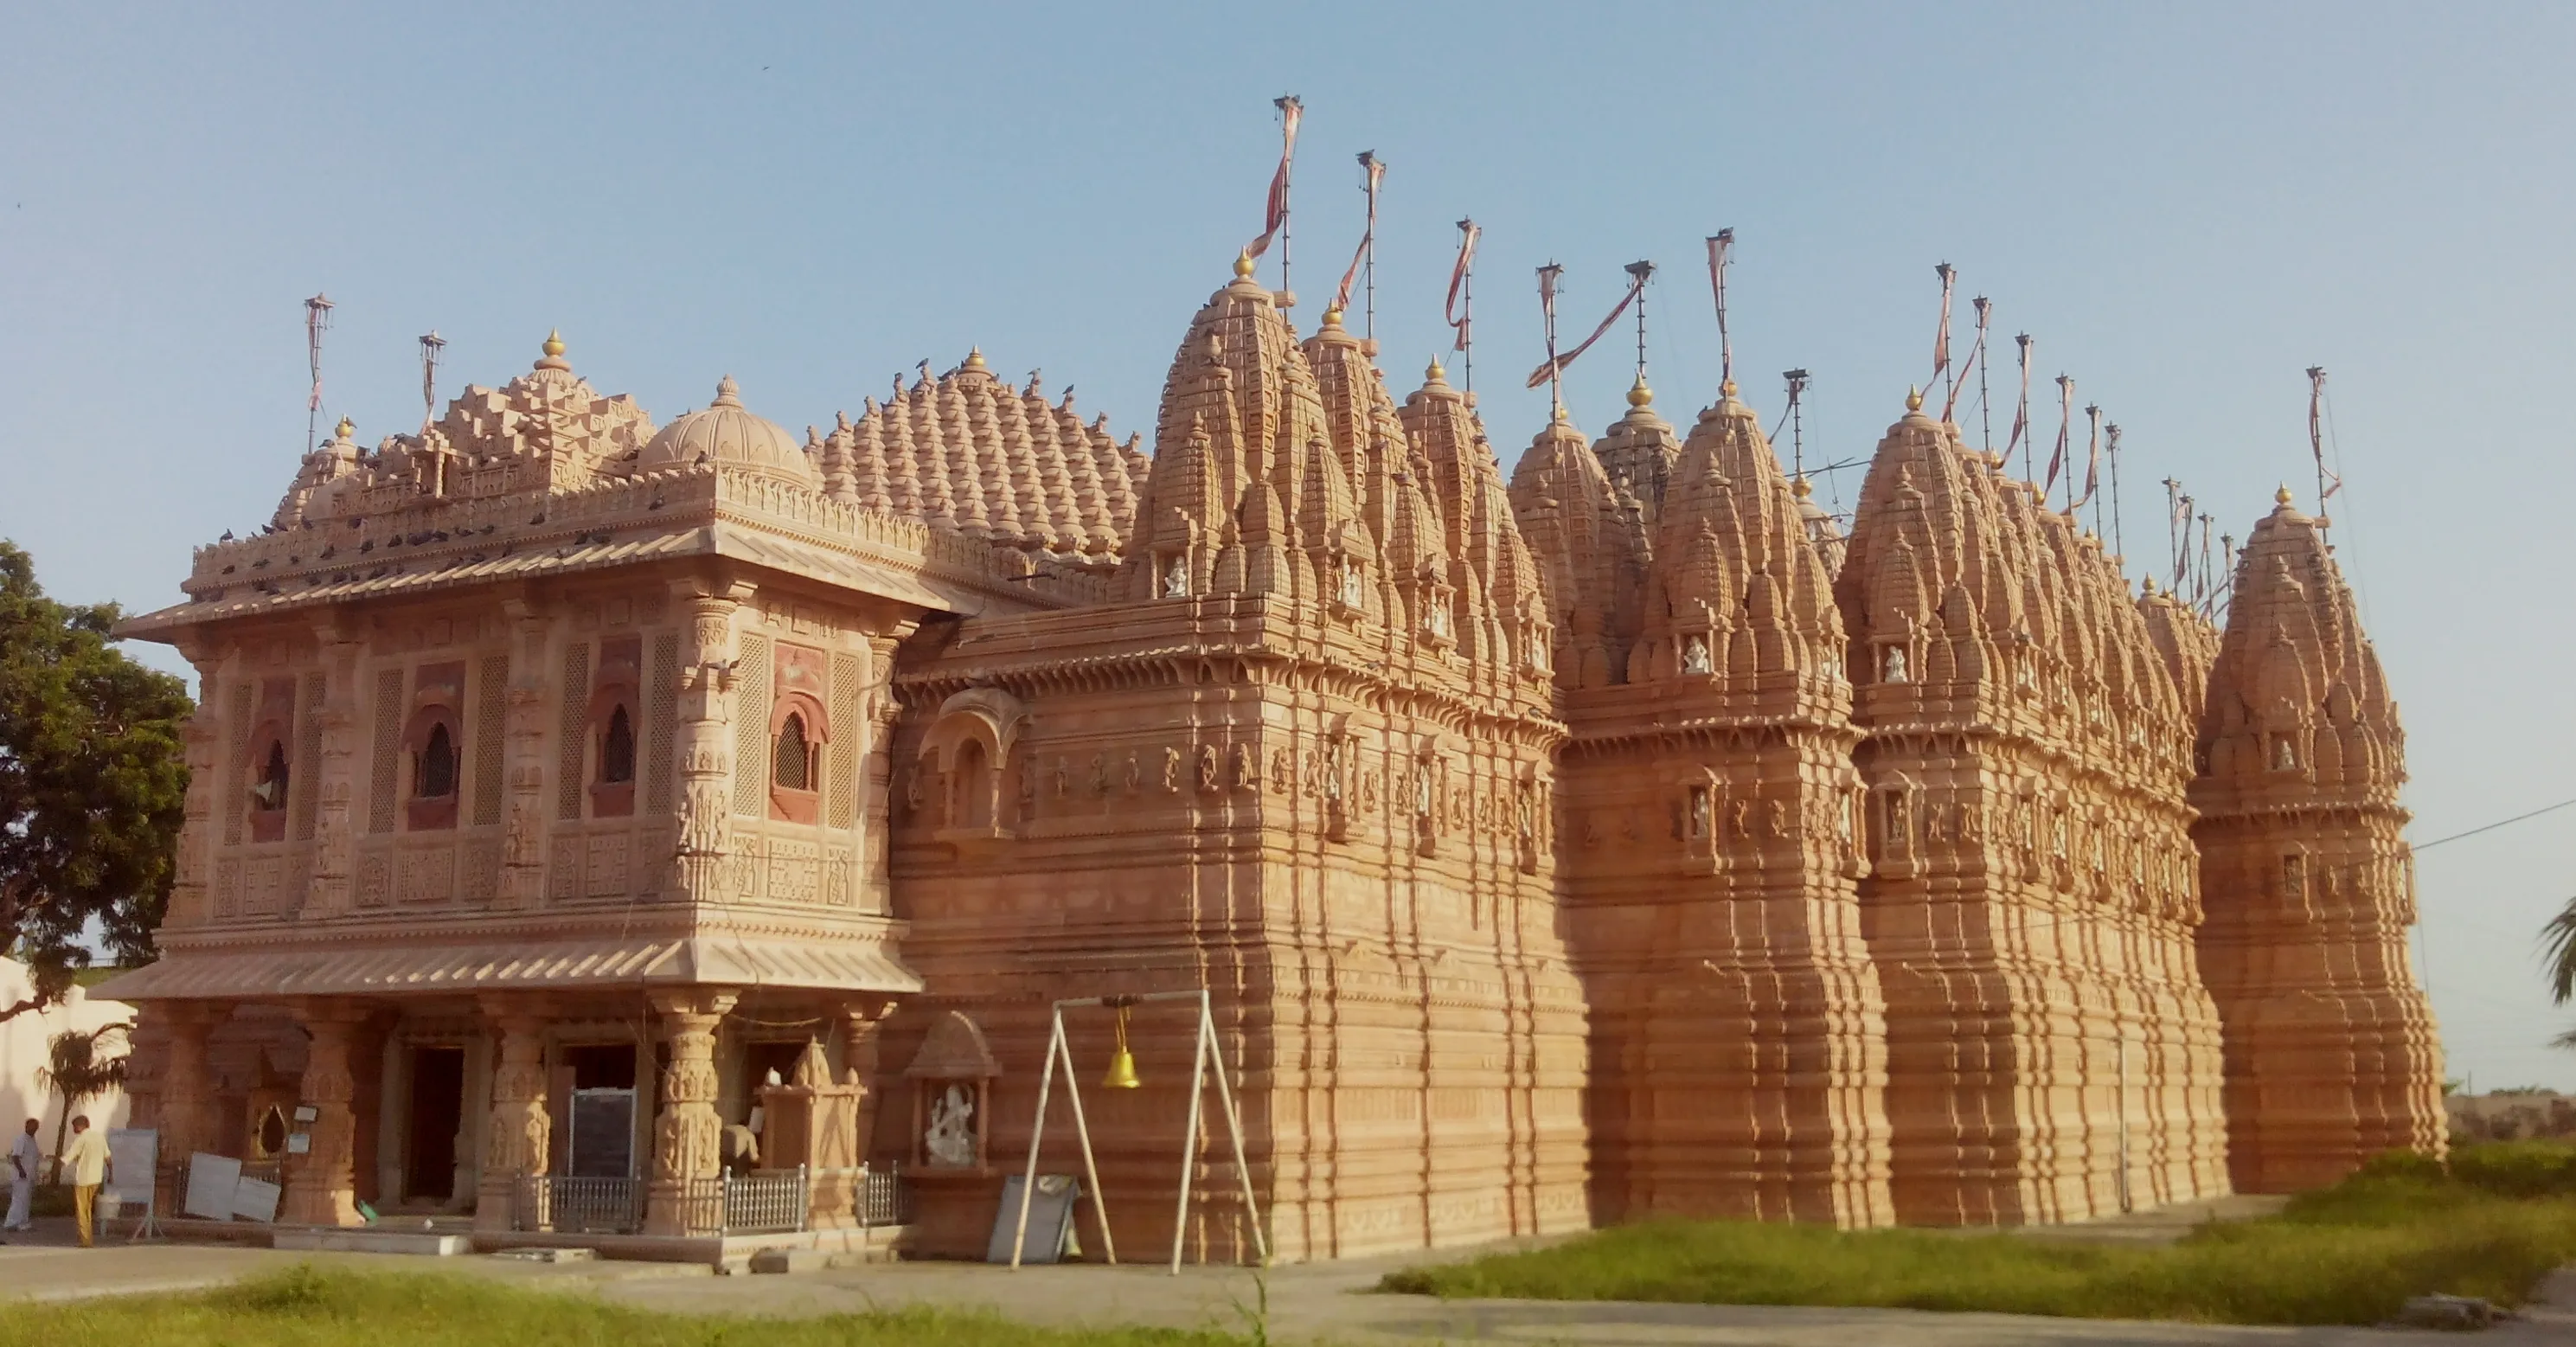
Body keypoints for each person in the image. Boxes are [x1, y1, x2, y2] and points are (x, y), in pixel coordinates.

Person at [61, 1114, 110, 1248]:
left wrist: (54, 1170)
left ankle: (86, 1240)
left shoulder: (81, 1139)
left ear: (79, 1126)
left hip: (83, 1179)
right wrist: (111, 1174)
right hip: (96, 1178)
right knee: (88, 1208)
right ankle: (87, 1236)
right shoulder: (100, 1137)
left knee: (82, 1210)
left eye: (74, 1127)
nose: (73, 1130)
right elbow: (108, 1157)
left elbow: (69, 1157)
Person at [4, 1119, 35, 1231]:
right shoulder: (20, 1139)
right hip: (21, 1175)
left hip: (29, 1176)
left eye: (36, 1127)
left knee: (26, 1200)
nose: (34, 1129)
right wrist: (21, 1171)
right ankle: (11, 1223)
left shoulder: (32, 1140)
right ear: (26, 1126)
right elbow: (15, 1156)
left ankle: (23, 1223)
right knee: (18, 1199)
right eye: (32, 1126)